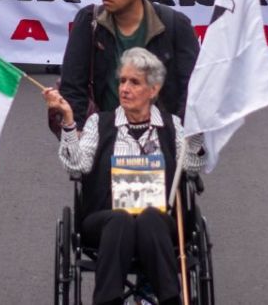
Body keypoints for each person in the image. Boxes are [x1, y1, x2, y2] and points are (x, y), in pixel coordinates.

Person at [45, 47, 204, 305]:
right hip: (105, 219)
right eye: (122, 81)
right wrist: (69, 122)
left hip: (158, 222)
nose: (125, 88)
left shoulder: (171, 125)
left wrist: (198, 136)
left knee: (151, 217)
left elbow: (191, 167)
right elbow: (76, 167)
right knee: (120, 220)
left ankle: (170, 299)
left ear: (153, 90)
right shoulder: (100, 122)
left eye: (134, 82)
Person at [59, 0, 199, 122]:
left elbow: (193, 87)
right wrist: (80, 131)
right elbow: (72, 85)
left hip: (161, 135)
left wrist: (178, 134)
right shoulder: (89, 21)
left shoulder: (175, 24)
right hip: (103, 133)